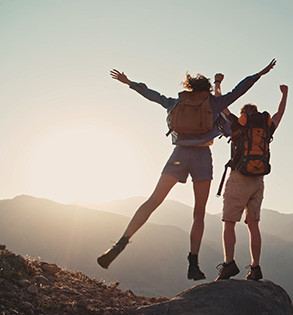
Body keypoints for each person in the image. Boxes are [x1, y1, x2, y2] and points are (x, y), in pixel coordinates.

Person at [97, 59, 277, 281]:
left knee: (153, 200)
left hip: (179, 155)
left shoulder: (176, 102)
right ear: (207, 89)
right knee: (198, 212)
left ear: (190, 87)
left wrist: (129, 82)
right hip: (202, 157)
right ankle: (193, 263)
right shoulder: (213, 104)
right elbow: (240, 90)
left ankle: (120, 243)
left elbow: (152, 95)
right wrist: (260, 73)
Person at [214, 73, 288, 281]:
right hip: (258, 180)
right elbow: (279, 113)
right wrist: (284, 95)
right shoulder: (266, 127)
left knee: (229, 222)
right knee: (253, 224)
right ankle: (255, 268)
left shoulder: (238, 125)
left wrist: (218, 83)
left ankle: (229, 264)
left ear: (243, 115)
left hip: (238, 178)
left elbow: (220, 104)